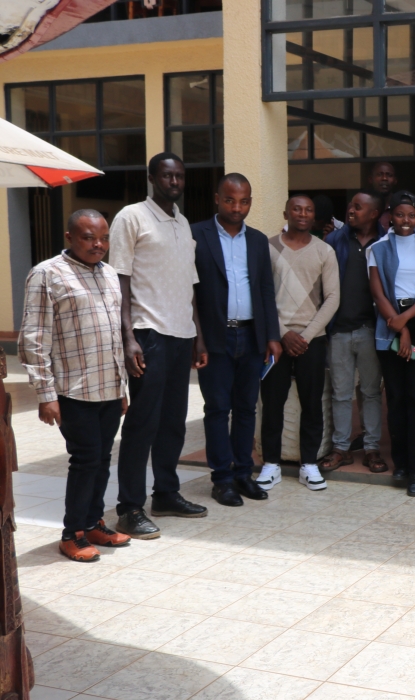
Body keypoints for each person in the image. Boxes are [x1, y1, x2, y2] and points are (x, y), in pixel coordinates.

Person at [20, 210, 131, 561]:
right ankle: (73, 534)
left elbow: (115, 336)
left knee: (101, 459)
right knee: (84, 459)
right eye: (88, 237)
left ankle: (94, 522)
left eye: (103, 237)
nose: (98, 244)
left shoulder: (110, 274)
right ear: (70, 237)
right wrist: (45, 395)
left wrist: (122, 387)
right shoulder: (46, 274)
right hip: (72, 390)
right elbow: (33, 339)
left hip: (109, 388)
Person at [110, 152, 208, 539]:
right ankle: (129, 508)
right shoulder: (131, 217)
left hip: (181, 334)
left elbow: (190, 285)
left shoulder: (183, 223)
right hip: (147, 333)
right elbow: (119, 279)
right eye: (167, 175)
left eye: (180, 176)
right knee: (142, 423)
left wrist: (198, 334)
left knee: (173, 424)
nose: (174, 181)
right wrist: (128, 336)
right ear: (152, 177)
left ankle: (166, 493)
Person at [192, 174, 282, 506]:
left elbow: (265, 291)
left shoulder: (258, 241)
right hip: (215, 338)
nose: (237, 207)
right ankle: (222, 479)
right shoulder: (196, 235)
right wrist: (197, 338)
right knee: (217, 409)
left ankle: (244, 474)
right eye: (230, 200)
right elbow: (190, 291)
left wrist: (272, 335)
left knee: (246, 409)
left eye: (244, 201)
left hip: (252, 336)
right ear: (217, 199)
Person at [257, 195, 341, 493]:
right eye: (297, 209)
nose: (302, 214)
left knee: (311, 402)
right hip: (275, 341)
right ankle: (270, 464)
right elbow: (261, 295)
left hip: (311, 341)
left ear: (314, 216)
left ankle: (309, 464)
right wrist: (282, 334)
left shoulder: (325, 251)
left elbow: (332, 298)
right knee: (272, 403)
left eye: (308, 210)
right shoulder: (267, 247)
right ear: (286, 212)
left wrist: (305, 336)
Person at [369, 191, 415, 496]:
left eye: (411, 215)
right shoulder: (377, 248)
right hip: (390, 324)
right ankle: (400, 463)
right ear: (390, 216)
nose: (405, 221)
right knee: (395, 398)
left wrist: (407, 323)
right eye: (399, 215)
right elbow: (378, 293)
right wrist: (399, 328)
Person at [321, 191, 386, 472]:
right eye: (351, 205)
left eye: (358, 208)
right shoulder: (334, 240)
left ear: (373, 214)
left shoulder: (385, 242)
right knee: (340, 393)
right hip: (339, 331)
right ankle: (341, 448)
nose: (351, 210)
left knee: (371, 392)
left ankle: (372, 448)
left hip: (371, 329)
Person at [369, 161, 398, 232]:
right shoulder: (358, 207)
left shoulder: (400, 206)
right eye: (379, 174)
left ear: (395, 180)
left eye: (389, 175)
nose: (384, 178)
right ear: (370, 179)